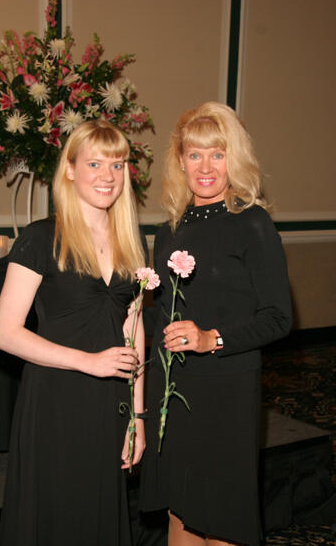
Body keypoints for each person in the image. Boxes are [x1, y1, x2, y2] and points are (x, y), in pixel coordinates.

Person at [139, 102, 292, 546]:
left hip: (227, 388)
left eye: (217, 154)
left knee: (222, 515)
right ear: (180, 160)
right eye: (194, 154)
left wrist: (212, 339)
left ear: (235, 159)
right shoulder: (170, 229)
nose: (205, 167)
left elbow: (279, 318)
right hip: (174, 385)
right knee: (180, 509)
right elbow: (165, 312)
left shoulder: (252, 223)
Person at [0, 120, 147, 546]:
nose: (107, 176)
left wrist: (137, 416)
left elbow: (133, 326)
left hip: (111, 399)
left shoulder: (131, 241)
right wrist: (90, 362)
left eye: (117, 165)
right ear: (70, 169)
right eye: (95, 163)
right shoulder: (42, 238)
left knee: (97, 508)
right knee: (56, 511)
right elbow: (4, 333)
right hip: (56, 397)